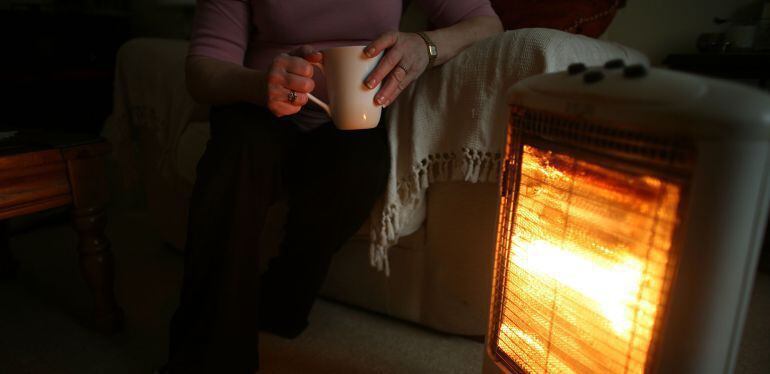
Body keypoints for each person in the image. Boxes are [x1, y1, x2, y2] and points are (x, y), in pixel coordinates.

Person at [166, 1, 502, 372]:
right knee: (239, 153)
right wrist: (261, 85)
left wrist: (426, 46)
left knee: (362, 166)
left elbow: (486, 25)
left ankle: (281, 296)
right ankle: (205, 359)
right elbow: (202, 68)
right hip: (258, 104)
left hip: (351, 115)